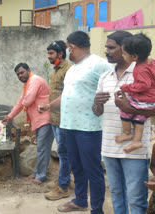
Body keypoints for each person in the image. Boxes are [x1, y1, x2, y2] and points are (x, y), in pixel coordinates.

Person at [93, 31, 153, 214]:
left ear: (126, 50)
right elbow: (97, 113)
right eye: (106, 47)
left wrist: (130, 108)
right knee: (117, 193)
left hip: (135, 149)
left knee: (136, 198)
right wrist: (97, 103)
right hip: (110, 146)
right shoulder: (104, 77)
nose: (106, 51)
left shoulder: (143, 74)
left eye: (111, 47)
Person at [57, 31, 112, 213]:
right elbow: (68, 96)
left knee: (92, 169)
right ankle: (80, 200)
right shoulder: (72, 68)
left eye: (67, 48)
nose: (66, 52)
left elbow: (113, 85)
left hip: (89, 128)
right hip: (69, 127)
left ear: (72, 46)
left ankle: (97, 209)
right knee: (76, 166)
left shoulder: (99, 64)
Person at [2, 63, 53, 185]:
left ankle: (41, 176)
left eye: (22, 72)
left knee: (42, 148)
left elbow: (27, 100)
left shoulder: (34, 80)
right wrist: (9, 117)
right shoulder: (28, 84)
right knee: (40, 148)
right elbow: (21, 102)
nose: (20, 76)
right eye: (18, 74)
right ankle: (37, 172)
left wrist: (23, 101)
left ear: (28, 70)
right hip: (39, 120)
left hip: (45, 119)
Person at [38, 40, 72, 200]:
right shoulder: (56, 70)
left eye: (51, 53)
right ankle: (62, 180)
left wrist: (48, 106)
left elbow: (66, 96)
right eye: (48, 53)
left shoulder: (68, 70)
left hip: (64, 119)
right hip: (55, 118)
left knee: (64, 153)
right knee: (62, 151)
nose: (48, 56)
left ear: (60, 54)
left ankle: (63, 187)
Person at [114, 33, 155, 153]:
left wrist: (127, 87)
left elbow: (144, 85)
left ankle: (126, 133)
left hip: (145, 99)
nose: (122, 55)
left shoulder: (140, 69)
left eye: (124, 54)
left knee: (124, 108)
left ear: (134, 57)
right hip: (150, 100)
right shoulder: (150, 62)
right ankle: (137, 141)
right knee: (139, 117)